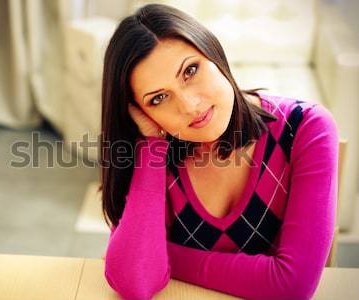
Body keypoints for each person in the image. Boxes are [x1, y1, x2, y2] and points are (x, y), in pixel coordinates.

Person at [99, 4, 338, 300]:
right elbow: (134, 281)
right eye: (158, 98)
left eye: (190, 70)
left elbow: (291, 286)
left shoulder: (305, 128)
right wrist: (151, 148)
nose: (189, 106)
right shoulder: (155, 150)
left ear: (212, 51)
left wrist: (163, 257)